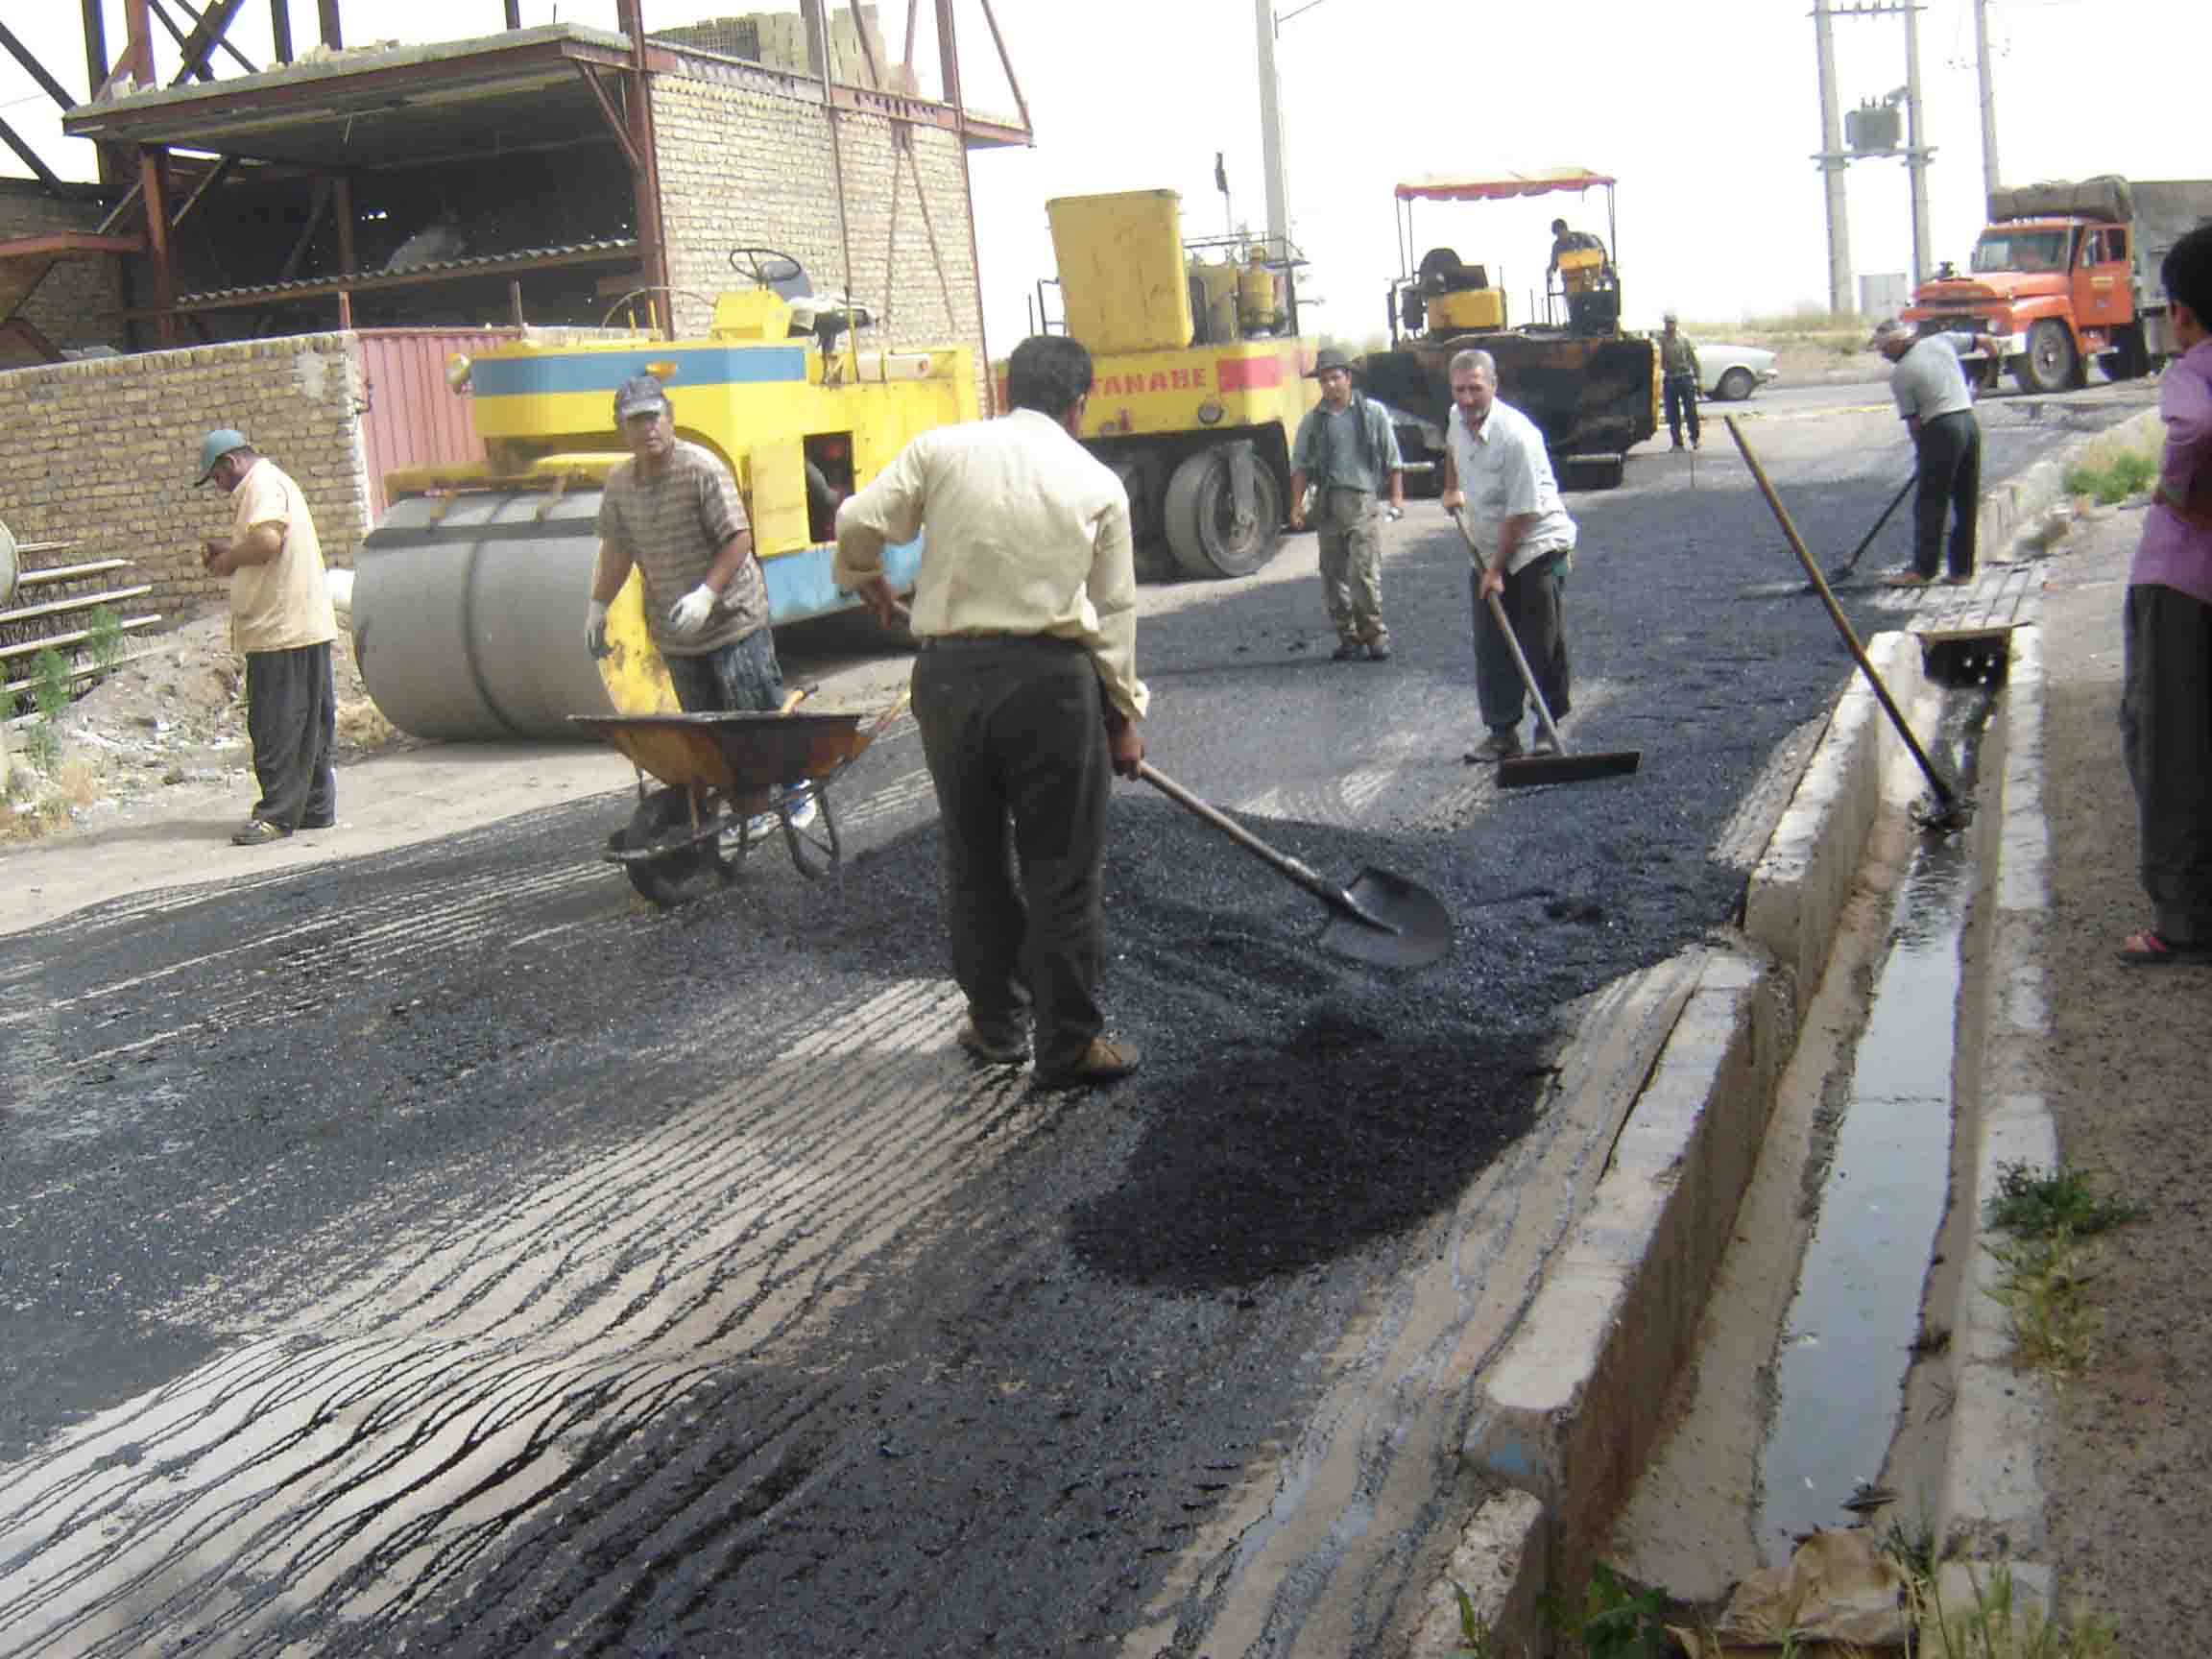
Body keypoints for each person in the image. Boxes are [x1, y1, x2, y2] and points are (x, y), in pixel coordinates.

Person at [832, 335, 1147, 1089]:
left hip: (949, 680)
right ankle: (1068, 1043)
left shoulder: (941, 449)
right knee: (1061, 870)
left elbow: (854, 521)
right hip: (1051, 683)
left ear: (1005, 388)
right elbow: (1114, 613)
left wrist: (866, 579)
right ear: (1080, 404)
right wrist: (1125, 714)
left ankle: (997, 1025)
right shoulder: (1096, 480)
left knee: (972, 857)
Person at [585, 373, 812, 827]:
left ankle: (793, 787)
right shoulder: (621, 484)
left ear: (670, 419)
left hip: (731, 619)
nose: (647, 428)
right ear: (622, 430)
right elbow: (617, 549)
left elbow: (738, 538)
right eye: (636, 421)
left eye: (654, 417)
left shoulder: (701, 468)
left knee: (754, 716)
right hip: (678, 633)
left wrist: (707, 595)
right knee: (708, 732)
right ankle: (746, 806)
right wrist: (597, 606)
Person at [2116, 223, 2212, 965]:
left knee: (2170, 747)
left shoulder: (2192, 370)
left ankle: (2183, 921)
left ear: (2180, 311)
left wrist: (2176, 491)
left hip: (2179, 586)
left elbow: (2193, 429)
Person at [196, 428, 338, 846]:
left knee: (277, 725)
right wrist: (234, 547)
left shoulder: (262, 485)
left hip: (280, 630)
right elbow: (263, 540)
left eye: (216, 478)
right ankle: (314, 807)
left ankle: (276, 816)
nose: (218, 487)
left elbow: (266, 541)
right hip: (300, 624)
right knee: (308, 722)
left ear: (230, 463)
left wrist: (227, 561)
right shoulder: (274, 484)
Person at [1436, 349, 1578, 764]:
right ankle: (1502, 734)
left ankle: (1547, 729)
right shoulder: (1456, 418)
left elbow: (1524, 511)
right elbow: (1451, 447)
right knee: (1491, 644)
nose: (1466, 399)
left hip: (1534, 545)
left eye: (1475, 389)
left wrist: (1497, 569)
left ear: (1493, 387)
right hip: (1486, 546)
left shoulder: (1517, 435)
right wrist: (1451, 487)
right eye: (1459, 389)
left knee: (1540, 643)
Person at [1287, 346, 1406, 661]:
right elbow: (1300, 466)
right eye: (1324, 380)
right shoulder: (1313, 422)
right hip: (1327, 503)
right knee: (1332, 573)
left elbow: (1393, 459)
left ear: (1348, 378)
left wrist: (1396, 497)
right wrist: (1296, 506)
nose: (1330, 386)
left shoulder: (1372, 414)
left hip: (1362, 500)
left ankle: (1375, 633)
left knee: (1362, 570)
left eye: (1335, 378)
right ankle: (1348, 636)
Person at [1868, 319, 2001, 587]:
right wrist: (1992, 370)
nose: (1883, 355)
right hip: (1968, 423)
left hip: (1942, 429)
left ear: (1897, 342)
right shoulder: (1943, 341)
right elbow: (1987, 342)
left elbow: (1915, 424)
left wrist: (1924, 456)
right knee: (1965, 501)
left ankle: (1922, 570)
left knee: (1930, 504)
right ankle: (1961, 571)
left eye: (1884, 349)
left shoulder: (1902, 374)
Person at [1658, 310, 1702, 451]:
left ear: (1676, 324)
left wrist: (1699, 380)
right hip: (1670, 379)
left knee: (1691, 411)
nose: (1670, 326)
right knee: (1672, 414)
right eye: (1667, 323)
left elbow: (1694, 360)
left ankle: (1695, 438)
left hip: (1685, 378)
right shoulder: (1661, 340)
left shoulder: (1684, 339)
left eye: (1672, 323)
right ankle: (1677, 443)